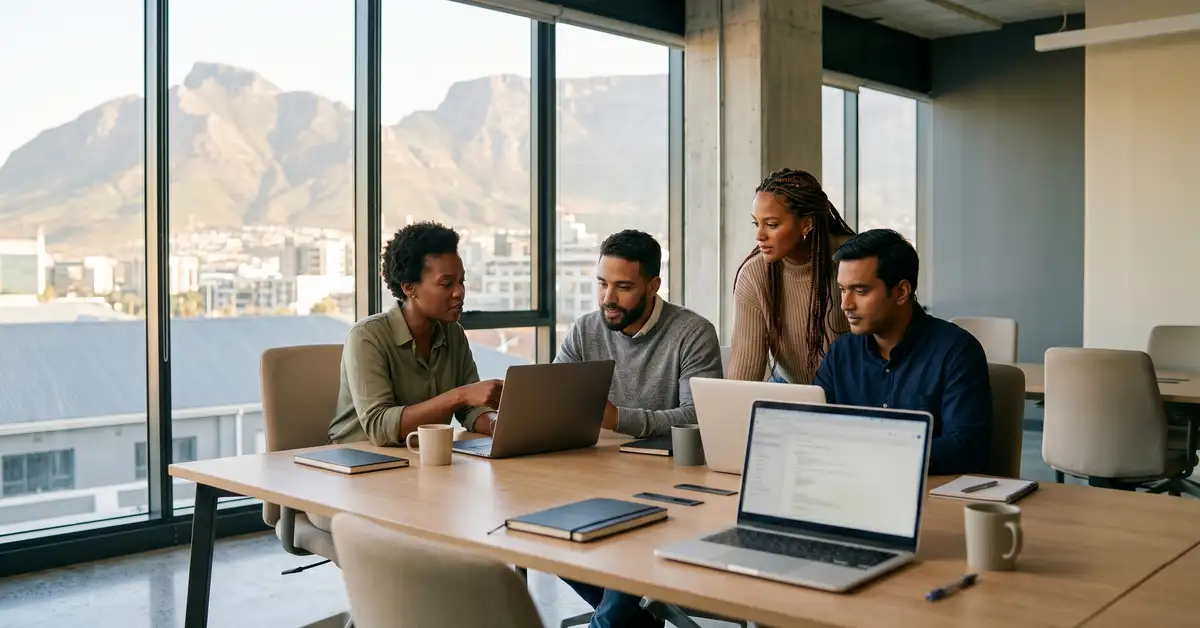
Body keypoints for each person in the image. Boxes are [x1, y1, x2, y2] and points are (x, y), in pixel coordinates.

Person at [556, 229, 722, 628]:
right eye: (602, 284)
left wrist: (619, 418)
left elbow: (698, 416)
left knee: (632, 535)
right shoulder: (585, 331)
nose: (607, 298)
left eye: (623, 287)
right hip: (599, 473)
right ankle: (637, 618)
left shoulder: (691, 332)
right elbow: (556, 398)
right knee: (545, 528)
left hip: (671, 482)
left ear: (653, 286)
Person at [814, 229, 992, 475]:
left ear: (900, 292)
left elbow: (966, 447)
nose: (846, 304)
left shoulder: (957, 352)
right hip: (853, 489)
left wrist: (880, 456)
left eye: (860, 291)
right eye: (843, 290)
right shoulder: (840, 353)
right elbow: (814, 429)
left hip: (931, 500)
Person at [328, 221, 503, 446]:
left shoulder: (453, 334)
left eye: (461, 281)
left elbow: (471, 408)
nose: (459, 292)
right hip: (357, 463)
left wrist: (496, 424)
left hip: (420, 458)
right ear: (409, 288)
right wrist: (460, 395)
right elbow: (380, 428)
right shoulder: (367, 337)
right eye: (446, 284)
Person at [728, 168, 856, 385]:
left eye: (772, 225)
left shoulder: (853, 262)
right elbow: (742, 379)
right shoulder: (754, 275)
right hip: (790, 392)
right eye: (756, 223)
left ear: (806, 224)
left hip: (854, 395)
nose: (759, 235)